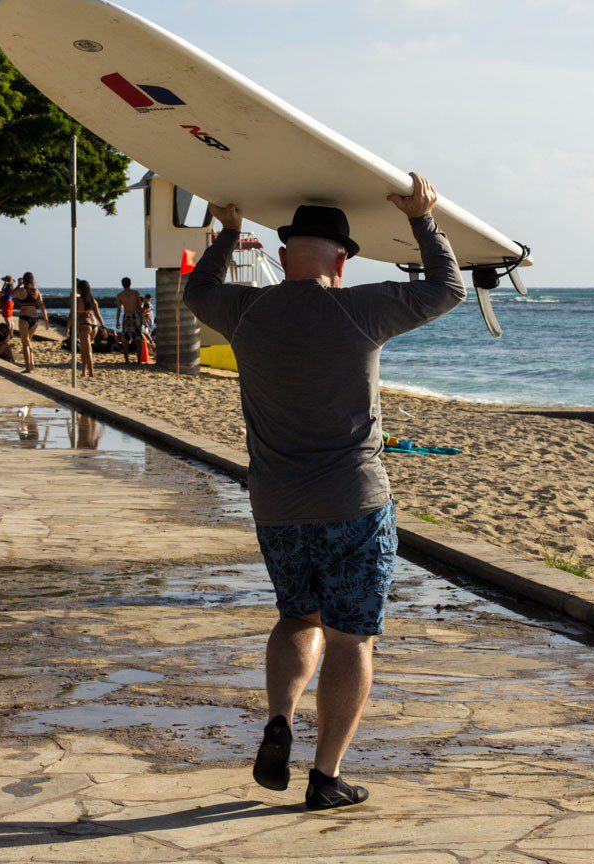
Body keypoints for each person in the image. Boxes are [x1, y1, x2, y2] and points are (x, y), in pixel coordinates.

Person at [184, 174, 466, 810]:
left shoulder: (244, 310)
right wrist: (423, 220)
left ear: (284, 256)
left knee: (295, 618)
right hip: (354, 504)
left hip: (277, 505)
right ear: (343, 259)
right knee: (351, 636)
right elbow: (446, 288)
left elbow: (197, 289)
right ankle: (325, 776)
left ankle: (280, 717)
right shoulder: (361, 308)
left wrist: (226, 238)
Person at [66, 279, 107, 378]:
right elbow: (98, 315)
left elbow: (71, 315)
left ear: (79, 290)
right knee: (84, 349)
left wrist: (67, 327)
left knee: (87, 350)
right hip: (94, 326)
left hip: (84, 325)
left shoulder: (77, 300)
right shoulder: (93, 300)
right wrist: (103, 327)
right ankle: (84, 372)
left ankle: (91, 373)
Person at [13, 272, 49, 373]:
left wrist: (18, 284)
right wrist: (46, 319)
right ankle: (32, 363)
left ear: (24, 280)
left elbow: (11, 294)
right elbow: (42, 306)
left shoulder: (21, 290)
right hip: (35, 319)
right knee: (28, 340)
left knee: (25, 343)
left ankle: (28, 368)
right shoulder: (36, 291)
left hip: (24, 317)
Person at [115, 277, 143, 365]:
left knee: (126, 340)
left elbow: (119, 309)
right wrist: (141, 319)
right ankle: (139, 360)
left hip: (126, 317)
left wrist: (117, 321)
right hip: (135, 316)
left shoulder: (120, 295)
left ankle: (127, 360)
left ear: (122, 284)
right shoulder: (135, 293)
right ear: (130, 283)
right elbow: (139, 307)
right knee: (138, 339)